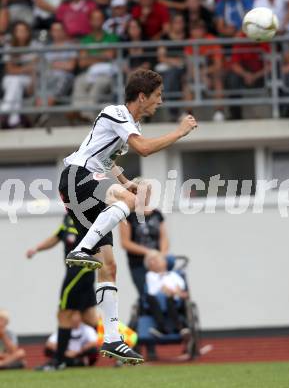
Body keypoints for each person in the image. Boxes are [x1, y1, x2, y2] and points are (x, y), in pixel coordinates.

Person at [58, 68, 198, 364]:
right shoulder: (117, 112)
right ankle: (81, 249)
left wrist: (123, 182)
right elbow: (144, 150)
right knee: (132, 203)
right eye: (157, 95)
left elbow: (107, 161)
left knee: (108, 267)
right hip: (76, 176)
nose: (160, 101)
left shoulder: (129, 123)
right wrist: (180, 131)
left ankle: (111, 339)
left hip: (89, 179)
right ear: (142, 96)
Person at [26, 214, 100, 370]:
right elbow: (57, 236)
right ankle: (90, 358)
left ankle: (59, 361)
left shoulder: (87, 215)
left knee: (64, 312)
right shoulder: (68, 218)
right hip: (82, 272)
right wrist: (36, 249)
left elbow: (100, 239)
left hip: (80, 269)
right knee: (89, 315)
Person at [69, 9, 119, 123]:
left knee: (97, 86)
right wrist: (102, 55)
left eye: (99, 18)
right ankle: (77, 112)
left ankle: (87, 117)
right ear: (90, 21)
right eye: (94, 19)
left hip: (107, 74)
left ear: (103, 21)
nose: (97, 21)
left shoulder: (112, 37)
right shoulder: (85, 40)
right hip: (89, 73)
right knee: (79, 81)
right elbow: (82, 62)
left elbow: (111, 55)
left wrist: (90, 57)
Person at [120, 200, 169, 297]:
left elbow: (164, 238)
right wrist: (149, 252)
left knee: (166, 290)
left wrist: (161, 255)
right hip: (139, 263)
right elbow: (125, 243)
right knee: (147, 294)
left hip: (157, 262)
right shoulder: (128, 216)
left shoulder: (157, 214)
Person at [35, 21, 77, 125]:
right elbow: (42, 67)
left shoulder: (71, 46)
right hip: (49, 76)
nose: (57, 33)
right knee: (40, 81)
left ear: (64, 32)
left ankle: (42, 114)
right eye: (54, 30)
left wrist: (53, 65)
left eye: (59, 30)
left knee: (60, 79)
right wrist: (61, 64)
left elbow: (71, 66)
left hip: (64, 77)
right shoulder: (46, 48)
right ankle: (41, 114)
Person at [183, 20, 225, 121]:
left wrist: (204, 74)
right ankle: (188, 114)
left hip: (211, 72)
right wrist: (200, 77)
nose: (197, 32)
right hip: (196, 74)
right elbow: (190, 66)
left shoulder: (212, 40)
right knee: (186, 82)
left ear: (204, 31)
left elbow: (218, 65)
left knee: (217, 81)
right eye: (194, 29)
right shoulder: (189, 43)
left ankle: (219, 112)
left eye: (199, 29)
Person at [144, 250, 190, 338]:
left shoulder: (173, 274)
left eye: (157, 259)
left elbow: (180, 285)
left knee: (170, 298)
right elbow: (155, 289)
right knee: (151, 297)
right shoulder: (150, 275)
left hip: (172, 299)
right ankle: (161, 327)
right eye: (151, 260)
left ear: (165, 262)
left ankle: (180, 326)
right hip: (156, 300)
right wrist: (170, 291)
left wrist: (176, 291)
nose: (154, 262)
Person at [0, 21, 37, 129]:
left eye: (24, 31)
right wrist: (25, 68)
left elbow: (33, 68)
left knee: (15, 81)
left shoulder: (35, 45)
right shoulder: (9, 46)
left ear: (29, 32)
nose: (22, 33)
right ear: (14, 33)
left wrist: (18, 69)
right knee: (15, 82)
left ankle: (4, 112)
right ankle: (13, 120)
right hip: (10, 80)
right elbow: (10, 70)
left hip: (28, 80)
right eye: (19, 31)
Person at [227, 31, 271, 120]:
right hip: (245, 73)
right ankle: (236, 114)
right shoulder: (240, 39)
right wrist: (246, 74)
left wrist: (256, 75)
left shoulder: (264, 38)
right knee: (232, 78)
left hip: (261, 74)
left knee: (275, 74)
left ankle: (282, 111)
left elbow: (271, 65)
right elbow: (234, 64)